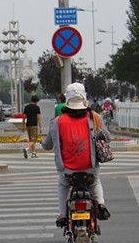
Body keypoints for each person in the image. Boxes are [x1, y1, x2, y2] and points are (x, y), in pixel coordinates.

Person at [42, 83, 111, 227]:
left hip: (67, 172)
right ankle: (100, 204)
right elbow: (108, 138)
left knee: (62, 186)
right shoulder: (95, 118)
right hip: (90, 169)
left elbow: (47, 145)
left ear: (67, 100)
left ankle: (62, 214)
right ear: (84, 99)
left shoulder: (56, 122)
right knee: (96, 182)